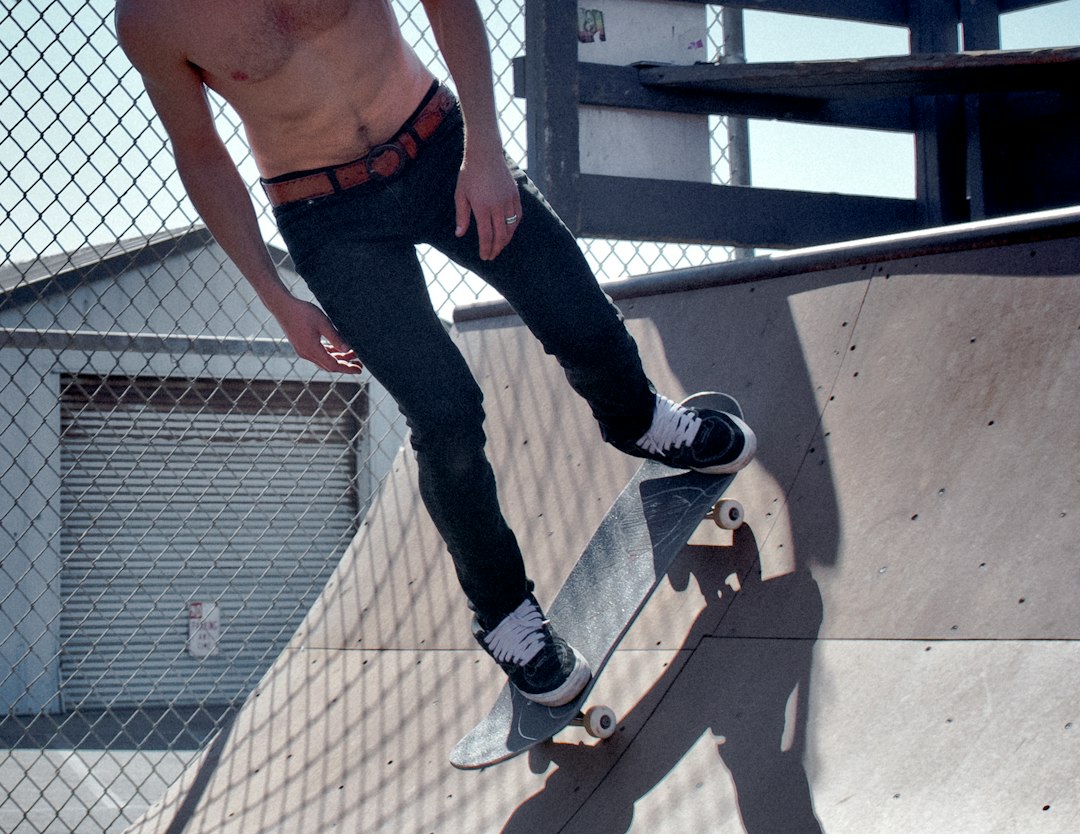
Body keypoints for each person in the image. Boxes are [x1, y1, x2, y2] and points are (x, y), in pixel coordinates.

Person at [115, 0, 756, 705]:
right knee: (444, 416)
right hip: (326, 217)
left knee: (575, 309)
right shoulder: (153, 18)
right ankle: (506, 615)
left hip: (437, 146)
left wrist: (485, 147)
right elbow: (199, 153)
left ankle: (641, 420)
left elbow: (448, 6)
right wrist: (277, 298)